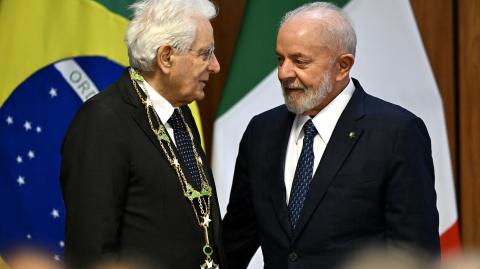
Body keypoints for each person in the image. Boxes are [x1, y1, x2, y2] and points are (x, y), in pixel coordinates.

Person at [222, 2, 440, 269]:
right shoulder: (261, 131)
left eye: (299, 61)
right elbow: (235, 240)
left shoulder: (396, 132)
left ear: (342, 66)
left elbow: (414, 255)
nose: (283, 73)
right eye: (280, 59)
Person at [60, 0, 223, 268]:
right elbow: (91, 250)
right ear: (167, 57)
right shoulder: (102, 121)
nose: (215, 66)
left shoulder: (180, 113)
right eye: (205, 54)